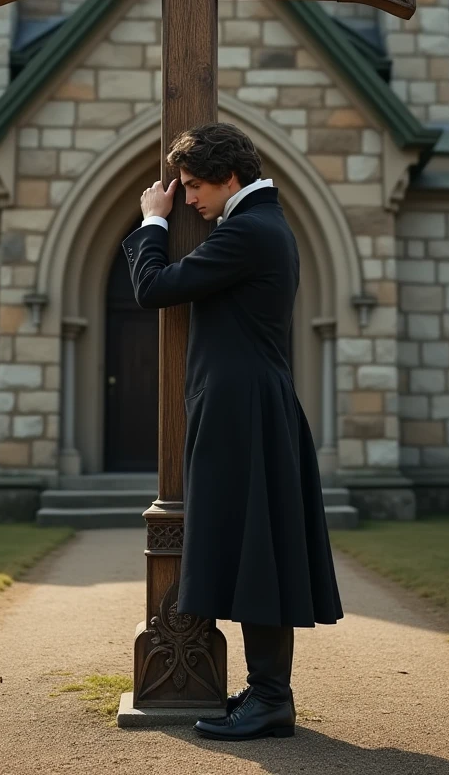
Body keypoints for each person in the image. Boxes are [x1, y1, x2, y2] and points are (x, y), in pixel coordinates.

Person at [122, 122, 344, 741]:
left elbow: (154, 287)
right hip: (248, 407)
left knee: (258, 553)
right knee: (256, 549)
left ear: (229, 177)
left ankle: (272, 699)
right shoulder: (258, 227)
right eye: (181, 189)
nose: (188, 197)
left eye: (194, 185)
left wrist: (152, 223)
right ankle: (268, 693)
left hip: (246, 410)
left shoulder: (249, 231)